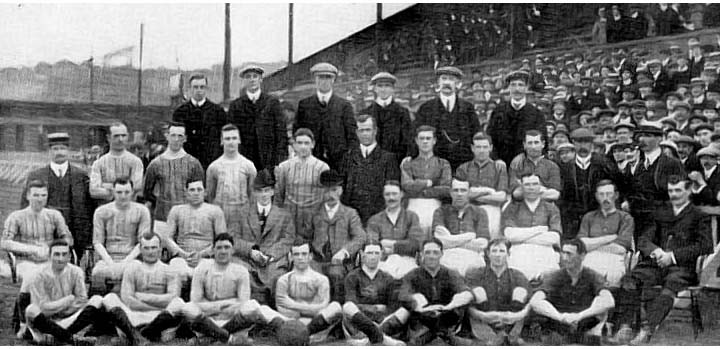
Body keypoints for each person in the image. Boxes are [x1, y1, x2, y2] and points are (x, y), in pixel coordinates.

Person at [614, 176, 713, 345]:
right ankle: (626, 326)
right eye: (670, 191)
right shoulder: (661, 212)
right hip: (654, 263)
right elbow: (643, 239)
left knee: (670, 287)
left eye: (678, 190)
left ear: (688, 191)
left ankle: (647, 329)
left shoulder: (698, 215)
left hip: (681, 267)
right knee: (629, 280)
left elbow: (705, 246)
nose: (673, 195)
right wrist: (656, 251)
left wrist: (673, 256)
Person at [182, 233, 289, 345]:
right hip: (207, 320)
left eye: (227, 247)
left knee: (251, 306)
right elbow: (195, 301)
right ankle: (229, 339)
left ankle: (210, 338)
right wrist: (225, 305)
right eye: (219, 247)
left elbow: (243, 302)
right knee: (188, 308)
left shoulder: (241, 271)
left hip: (233, 322)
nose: (223, 251)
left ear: (232, 251)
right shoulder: (202, 269)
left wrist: (214, 305)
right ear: (213, 250)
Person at [100, 232, 188, 344]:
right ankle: (140, 335)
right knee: (109, 298)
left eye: (153, 248)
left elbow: (173, 297)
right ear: (140, 250)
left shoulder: (170, 270)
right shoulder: (132, 268)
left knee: (178, 303)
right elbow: (127, 299)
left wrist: (140, 296)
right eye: (146, 248)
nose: (150, 252)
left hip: (160, 317)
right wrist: (153, 303)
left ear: (160, 249)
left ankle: (136, 335)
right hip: (134, 317)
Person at [529, 239, 615, 345]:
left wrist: (579, 316)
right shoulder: (555, 276)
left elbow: (609, 301)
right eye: (563, 253)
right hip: (558, 327)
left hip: (586, 326)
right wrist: (561, 317)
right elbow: (535, 301)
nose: (564, 258)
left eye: (569, 254)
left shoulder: (592, 275)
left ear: (582, 256)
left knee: (601, 300)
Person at [22, 132, 94, 259]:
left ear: (68, 151)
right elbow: (24, 205)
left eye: (62, 148)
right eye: (55, 149)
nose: (59, 152)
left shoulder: (81, 176)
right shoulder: (36, 175)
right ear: (49, 151)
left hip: (75, 230)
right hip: (44, 229)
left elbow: (89, 206)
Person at [24, 240, 103, 345]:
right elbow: (41, 308)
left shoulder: (76, 272)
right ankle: (72, 339)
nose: (60, 259)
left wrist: (60, 309)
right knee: (31, 310)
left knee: (97, 300)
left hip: (68, 319)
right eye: (56, 255)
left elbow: (82, 300)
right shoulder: (38, 275)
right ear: (49, 256)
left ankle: (56, 337)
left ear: (69, 256)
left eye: (64, 254)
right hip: (46, 322)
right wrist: (67, 300)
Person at [397, 238, 475, 346]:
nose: (431, 256)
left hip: (447, 319)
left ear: (442, 254)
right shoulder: (412, 275)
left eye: (435, 252)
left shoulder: (451, 273)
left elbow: (466, 293)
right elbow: (403, 295)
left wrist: (450, 305)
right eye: (427, 252)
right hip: (422, 322)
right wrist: (419, 305)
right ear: (421, 254)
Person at [304, 169, 366, 303]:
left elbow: (360, 237)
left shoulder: (350, 214)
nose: (330, 194)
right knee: (310, 276)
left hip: (340, 263)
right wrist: (306, 252)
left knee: (335, 274)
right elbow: (304, 237)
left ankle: (337, 311)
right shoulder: (313, 213)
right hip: (317, 260)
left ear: (340, 191)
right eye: (326, 191)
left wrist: (344, 252)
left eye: (334, 190)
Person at [234, 169, 294, 305]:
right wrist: (250, 251)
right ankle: (248, 311)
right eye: (260, 191)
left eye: (267, 190)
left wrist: (269, 255)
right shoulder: (242, 213)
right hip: (248, 260)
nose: (264, 195)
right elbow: (234, 238)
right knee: (241, 272)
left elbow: (288, 240)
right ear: (254, 192)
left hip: (273, 260)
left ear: (273, 192)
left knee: (277, 277)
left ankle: (272, 311)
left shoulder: (284, 215)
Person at [1, 180, 73, 293]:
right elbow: (5, 243)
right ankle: (25, 305)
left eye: (43, 195)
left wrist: (53, 249)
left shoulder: (54, 215)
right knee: (34, 275)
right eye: (36, 195)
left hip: (50, 259)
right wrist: (32, 249)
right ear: (28, 196)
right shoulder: (16, 217)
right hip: (25, 261)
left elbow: (68, 239)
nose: (40, 199)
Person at [623, 125, 686, 242]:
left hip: (661, 219)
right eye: (640, 136)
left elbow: (679, 193)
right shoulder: (637, 165)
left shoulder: (671, 163)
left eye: (648, 136)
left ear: (659, 139)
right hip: (638, 218)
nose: (642, 139)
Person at [143, 122, 205, 237]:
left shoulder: (193, 164)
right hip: (162, 218)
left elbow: (199, 193)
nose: (176, 139)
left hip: (188, 218)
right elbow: (147, 192)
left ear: (185, 138)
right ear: (167, 136)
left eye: (180, 136)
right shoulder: (155, 164)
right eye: (173, 135)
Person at [465, 238, 530, 345]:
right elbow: (468, 306)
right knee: (478, 292)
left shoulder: (517, 275)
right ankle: (493, 339)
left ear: (508, 254)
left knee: (520, 291)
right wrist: (484, 316)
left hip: (511, 320)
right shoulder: (476, 274)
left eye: (502, 251)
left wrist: (514, 316)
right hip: (483, 320)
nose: (498, 255)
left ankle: (508, 336)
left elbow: (530, 304)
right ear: (488, 254)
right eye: (494, 251)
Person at [341, 241, 408, 346]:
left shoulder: (388, 278)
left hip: (382, 321)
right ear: (362, 254)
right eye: (369, 253)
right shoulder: (352, 276)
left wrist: (369, 308)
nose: (373, 257)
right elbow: (351, 303)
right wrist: (376, 308)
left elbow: (391, 307)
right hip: (359, 323)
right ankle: (384, 339)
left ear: (381, 254)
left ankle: (372, 337)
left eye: (376, 253)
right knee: (348, 307)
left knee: (404, 311)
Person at [415, 66, 481, 170]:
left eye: (451, 79)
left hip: (463, 164)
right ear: (438, 83)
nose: (447, 82)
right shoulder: (426, 108)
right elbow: (416, 136)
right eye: (444, 78)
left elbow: (476, 135)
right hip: (434, 165)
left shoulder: (468, 108)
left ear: (458, 84)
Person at [275, 241, 343, 341]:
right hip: (290, 321)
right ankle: (299, 333)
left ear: (310, 256)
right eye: (296, 254)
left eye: (304, 254)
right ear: (291, 257)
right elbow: (280, 307)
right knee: (263, 309)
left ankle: (303, 332)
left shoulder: (321, 279)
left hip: (315, 322)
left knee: (335, 307)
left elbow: (322, 306)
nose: (300, 258)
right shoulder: (283, 280)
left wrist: (292, 305)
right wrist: (306, 310)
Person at [294, 62, 357, 170]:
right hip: (310, 161)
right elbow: (297, 131)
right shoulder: (304, 105)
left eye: (328, 78)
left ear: (333, 80)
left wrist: (348, 158)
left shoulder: (344, 106)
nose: (324, 81)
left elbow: (352, 135)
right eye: (320, 77)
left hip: (338, 162)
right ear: (315, 79)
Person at [340, 114, 400, 224]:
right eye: (361, 130)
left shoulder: (388, 158)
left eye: (368, 130)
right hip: (352, 216)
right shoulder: (348, 157)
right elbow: (343, 189)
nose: (365, 134)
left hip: (378, 215)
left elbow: (391, 189)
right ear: (357, 133)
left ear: (375, 131)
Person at [163, 179, 227, 281]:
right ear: (186, 192)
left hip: (207, 258)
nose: (196, 193)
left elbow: (223, 240)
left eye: (199, 189)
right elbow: (167, 238)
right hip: (182, 257)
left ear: (205, 192)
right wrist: (182, 254)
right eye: (192, 190)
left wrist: (201, 254)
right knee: (176, 271)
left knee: (206, 273)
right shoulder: (176, 210)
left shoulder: (215, 211)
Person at [558, 128, 617, 239]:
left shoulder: (604, 165)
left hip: (599, 216)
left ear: (592, 144)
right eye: (579, 142)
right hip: (573, 219)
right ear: (573, 144)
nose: (583, 146)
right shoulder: (565, 168)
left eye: (586, 142)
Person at [502, 172, 562, 280]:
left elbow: (554, 238)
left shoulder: (551, 208)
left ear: (541, 187)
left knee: (551, 276)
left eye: (535, 184)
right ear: (522, 187)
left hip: (545, 250)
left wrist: (521, 236)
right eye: (527, 185)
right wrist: (540, 229)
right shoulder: (512, 208)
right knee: (517, 277)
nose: (531, 188)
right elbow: (510, 236)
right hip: (519, 251)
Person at [227, 65, 287, 171]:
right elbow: (231, 133)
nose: (252, 80)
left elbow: (281, 132)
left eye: (255, 76)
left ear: (261, 79)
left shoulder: (272, 103)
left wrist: (279, 160)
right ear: (244, 81)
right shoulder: (236, 105)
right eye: (248, 77)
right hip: (244, 159)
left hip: (268, 159)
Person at [576, 179, 634, 287]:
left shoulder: (625, 218)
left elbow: (621, 248)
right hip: (590, 258)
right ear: (597, 196)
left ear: (616, 195)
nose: (605, 198)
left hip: (614, 259)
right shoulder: (589, 217)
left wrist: (592, 244)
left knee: (611, 278)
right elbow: (581, 245)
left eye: (609, 194)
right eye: (601, 194)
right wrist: (610, 238)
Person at [91, 178, 151, 280]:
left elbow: (143, 242)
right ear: (113, 192)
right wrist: (111, 263)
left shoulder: (142, 211)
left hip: (132, 259)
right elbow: (97, 242)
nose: (123, 196)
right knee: (97, 272)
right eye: (119, 192)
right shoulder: (101, 212)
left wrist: (124, 263)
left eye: (127, 192)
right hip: (107, 259)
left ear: (132, 192)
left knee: (133, 271)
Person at [274, 128, 330, 236]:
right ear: (294, 145)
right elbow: (279, 196)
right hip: (290, 218)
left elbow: (326, 197)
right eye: (299, 143)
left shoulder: (322, 168)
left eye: (306, 143)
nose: (303, 146)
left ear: (312, 144)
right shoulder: (284, 167)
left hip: (313, 219)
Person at [431, 178, 491, 277]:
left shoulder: (480, 212)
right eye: (456, 190)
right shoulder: (440, 211)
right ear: (450, 192)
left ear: (469, 192)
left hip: (472, 256)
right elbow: (440, 241)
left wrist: (451, 240)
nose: (459, 194)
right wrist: (469, 236)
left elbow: (482, 243)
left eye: (463, 190)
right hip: (447, 256)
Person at [366, 181, 425, 279]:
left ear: (401, 194)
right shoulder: (375, 220)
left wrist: (392, 245)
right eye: (387, 194)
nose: (391, 198)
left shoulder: (411, 217)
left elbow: (416, 243)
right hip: (383, 262)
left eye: (394, 194)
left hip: (407, 261)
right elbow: (372, 243)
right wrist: (401, 246)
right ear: (383, 196)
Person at [487, 70, 547, 166]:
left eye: (520, 85)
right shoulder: (498, 112)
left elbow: (543, 143)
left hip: (528, 165)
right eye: (513, 85)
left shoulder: (536, 114)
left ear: (526, 88)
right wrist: (496, 159)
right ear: (509, 88)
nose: (517, 89)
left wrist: (524, 155)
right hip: (500, 166)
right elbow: (489, 139)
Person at [400, 125, 451, 234]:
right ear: (416, 141)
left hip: (436, 205)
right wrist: (428, 183)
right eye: (422, 138)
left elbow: (446, 188)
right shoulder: (409, 163)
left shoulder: (443, 163)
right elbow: (407, 185)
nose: (425, 142)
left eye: (428, 138)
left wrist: (422, 190)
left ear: (434, 141)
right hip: (413, 205)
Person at [205, 124, 257, 233]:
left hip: (242, 217)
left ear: (239, 140)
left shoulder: (248, 166)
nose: (231, 142)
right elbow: (210, 195)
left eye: (234, 138)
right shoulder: (214, 167)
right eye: (227, 139)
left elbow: (252, 194)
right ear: (221, 141)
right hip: (221, 216)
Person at [455, 133, 508, 237]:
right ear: (472, 148)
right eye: (478, 147)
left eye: (485, 147)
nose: (482, 150)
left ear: (491, 148)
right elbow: (460, 194)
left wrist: (474, 194)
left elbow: (501, 197)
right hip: (469, 209)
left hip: (491, 209)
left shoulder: (499, 168)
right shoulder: (463, 168)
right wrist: (487, 191)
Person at [171, 74, 227, 169]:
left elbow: (223, 139)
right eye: (195, 87)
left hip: (210, 163)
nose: (199, 90)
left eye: (202, 87)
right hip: (186, 163)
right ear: (189, 89)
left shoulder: (217, 111)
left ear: (206, 89)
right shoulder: (180, 112)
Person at [361, 72, 413, 162]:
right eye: (380, 86)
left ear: (393, 89)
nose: (383, 89)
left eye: (387, 86)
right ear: (375, 89)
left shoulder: (402, 113)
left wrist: (406, 158)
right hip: (371, 163)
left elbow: (408, 140)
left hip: (396, 162)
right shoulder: (366, 113)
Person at [89, 122, 144, 203]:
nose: (120, 139)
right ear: (108, 138)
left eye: (123, 135)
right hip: (106, 210)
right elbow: (93, 191)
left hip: (129, 210)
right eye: (116, 136)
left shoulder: (135, 161)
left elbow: (136, 186)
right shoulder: (99, 163)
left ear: (128, 136)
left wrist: (104, 185)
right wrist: (124, 189)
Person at [509, 130, 562, 202]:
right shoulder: (517, 165)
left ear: (543, 144)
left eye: (536, 143)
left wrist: (526, 189)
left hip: (546, 209)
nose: (533, 147)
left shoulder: (552, 166)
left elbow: (555, 194)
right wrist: (543, 190)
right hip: (521, 208)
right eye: (530, 143)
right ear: (524, 145)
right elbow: (515, 193)